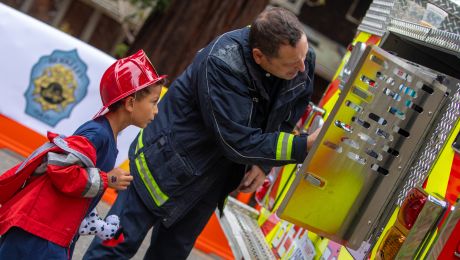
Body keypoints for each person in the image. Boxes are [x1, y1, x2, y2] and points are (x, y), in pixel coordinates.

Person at [84, 7, 321, 259]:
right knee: (114, 247)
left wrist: (262, 163)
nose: (303, 68)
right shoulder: (222, 62)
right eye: (292, 66)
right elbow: (237, 141)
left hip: (211, 179)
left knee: (170, 254)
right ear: (259, 56)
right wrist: (302, 147)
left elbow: (287, 112)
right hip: (163, 165)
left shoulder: (300, 56)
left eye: (304, 58)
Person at [0, 50, 166, 259]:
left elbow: (77, 188)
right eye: (153, 102)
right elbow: (60, 167)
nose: (156, 111)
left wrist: (90, 220)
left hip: (52, 235)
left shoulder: (107, 136)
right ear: (131, 103)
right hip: (38, 234)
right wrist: (108, 178)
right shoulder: (97, 134)